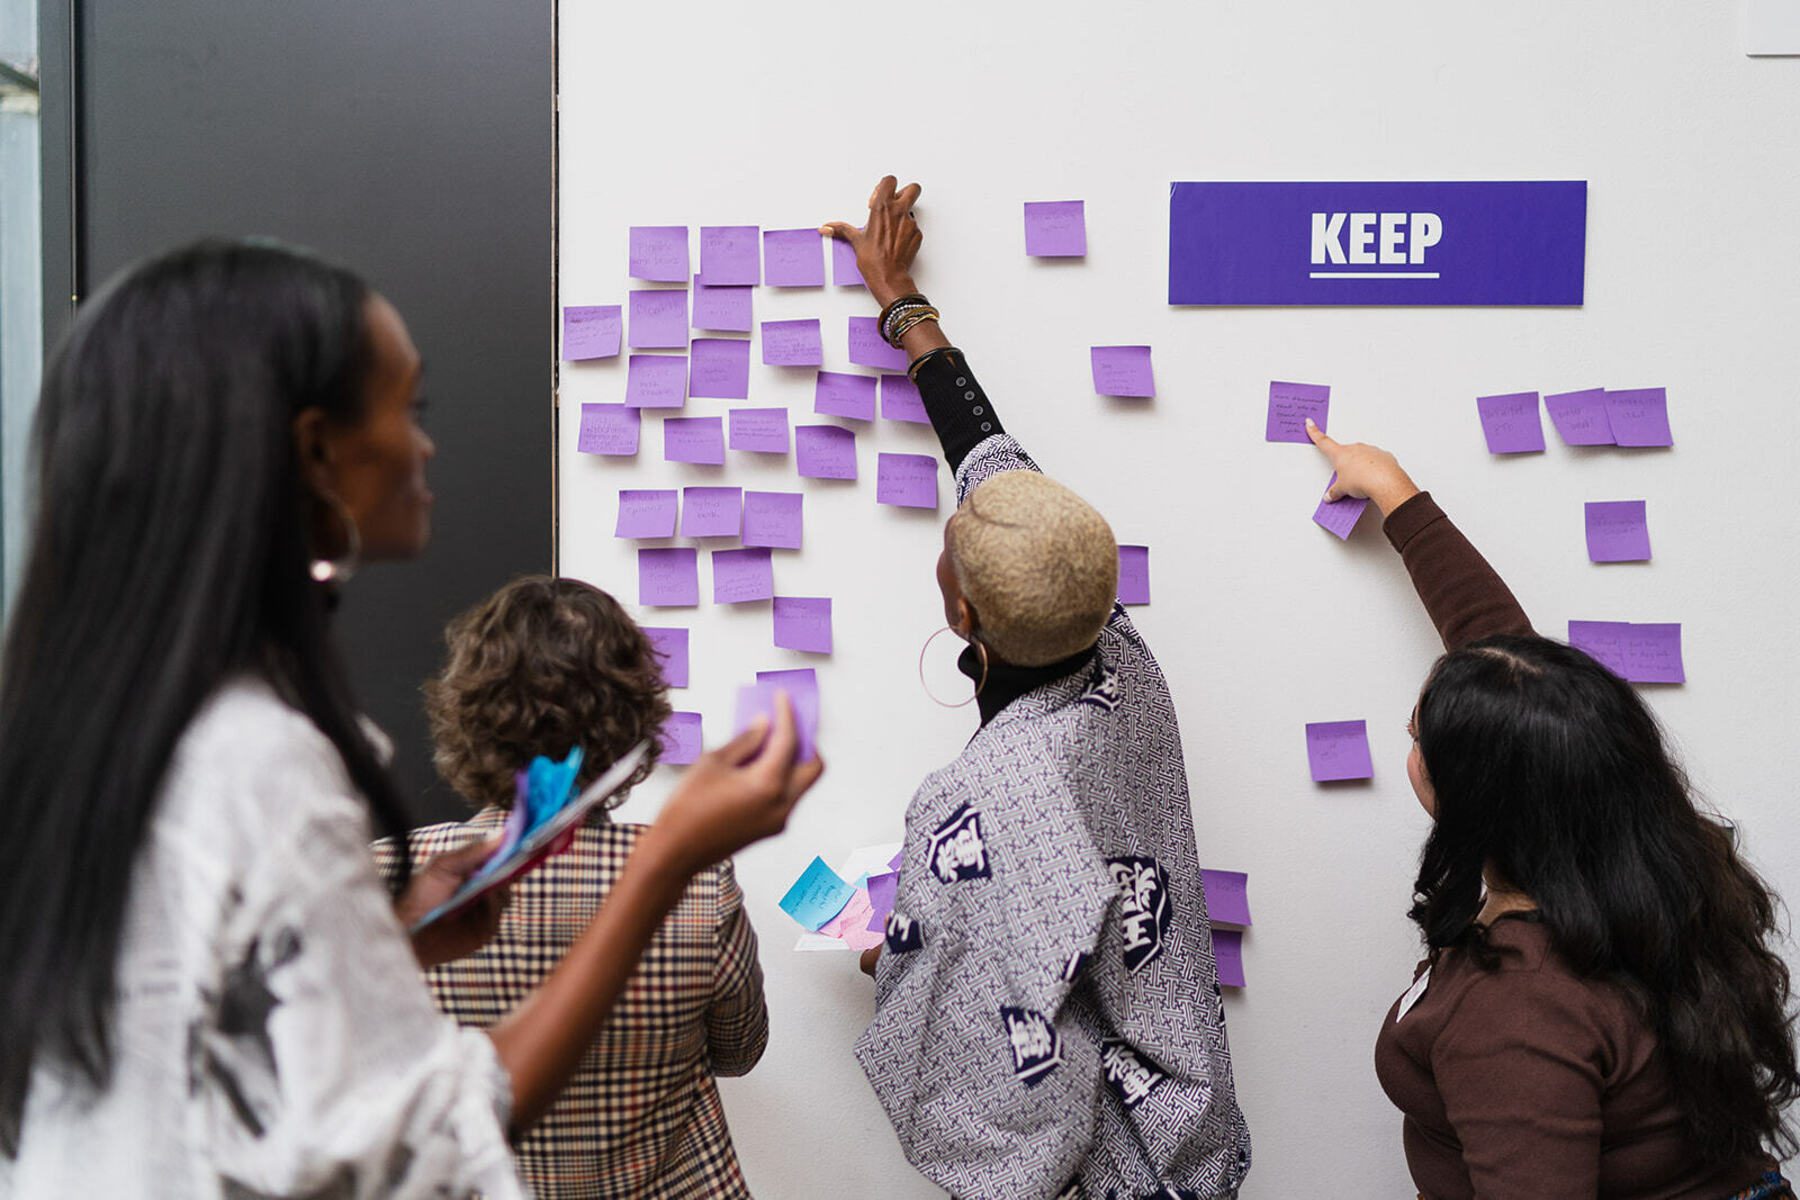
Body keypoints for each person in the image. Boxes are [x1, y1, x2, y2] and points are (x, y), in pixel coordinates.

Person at [0, 240, 819, 1198]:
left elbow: (201, 1032)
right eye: (411, 409)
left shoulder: (118, 734)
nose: (425, 446)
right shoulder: (258, 761)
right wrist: (666, 857)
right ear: (314, 450)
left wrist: (394, 940)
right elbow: (421, 1144)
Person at [823, 180, 1251, 1200]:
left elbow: (982, 1057)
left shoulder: (981, 797)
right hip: (1199, 1147)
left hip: (1107, 1174)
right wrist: (906, 312)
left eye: (953, 556)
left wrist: (900, 959)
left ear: (962, 615)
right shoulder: (1113, 640)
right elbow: (998, 472)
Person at [1306, 424, 1798, 1200]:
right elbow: (1507, 663)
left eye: (1418, 735)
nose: (1408, 731)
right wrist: (1395, 492)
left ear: (1477, 798)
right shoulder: (1646, 847)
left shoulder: (1519, 1009)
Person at [373, 575, 769, 1199]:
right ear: (634, 721)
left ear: (469, 713)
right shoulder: (694, 878)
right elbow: (739, 1050)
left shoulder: (389, 882)